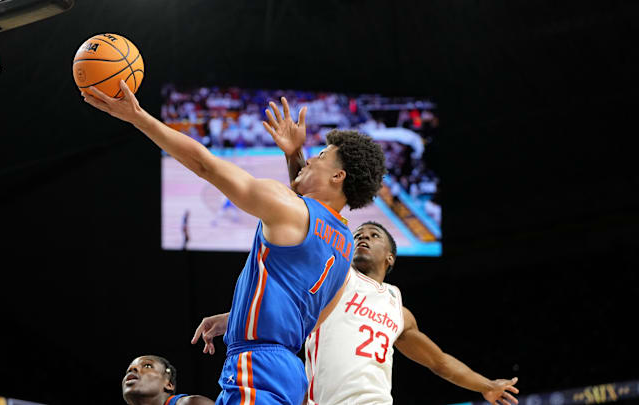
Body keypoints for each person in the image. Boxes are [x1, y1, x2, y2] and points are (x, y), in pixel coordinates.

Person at [193, 102, 520, 405]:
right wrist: (233, 316)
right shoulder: (336, 274)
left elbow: (439, 362)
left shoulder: (398, 310)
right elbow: (307, 219)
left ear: (391, 257)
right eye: (361, 232)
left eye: (374, 234)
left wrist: (485, 385)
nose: (363, 237)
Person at [84, 86, 386, 405]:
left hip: (256, 367)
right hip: (291, 375)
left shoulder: (289, 208)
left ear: (338, 175)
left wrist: (138, 117)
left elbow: (206, 165)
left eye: (321, 156)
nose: (311, 157)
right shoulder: (343, 250)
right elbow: (307, 317)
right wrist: (236, 316)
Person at [122, 355, 214, 405]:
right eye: (128, 370)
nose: (132, 369)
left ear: (168, 384)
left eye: (147, 366)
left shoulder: (190, 403)